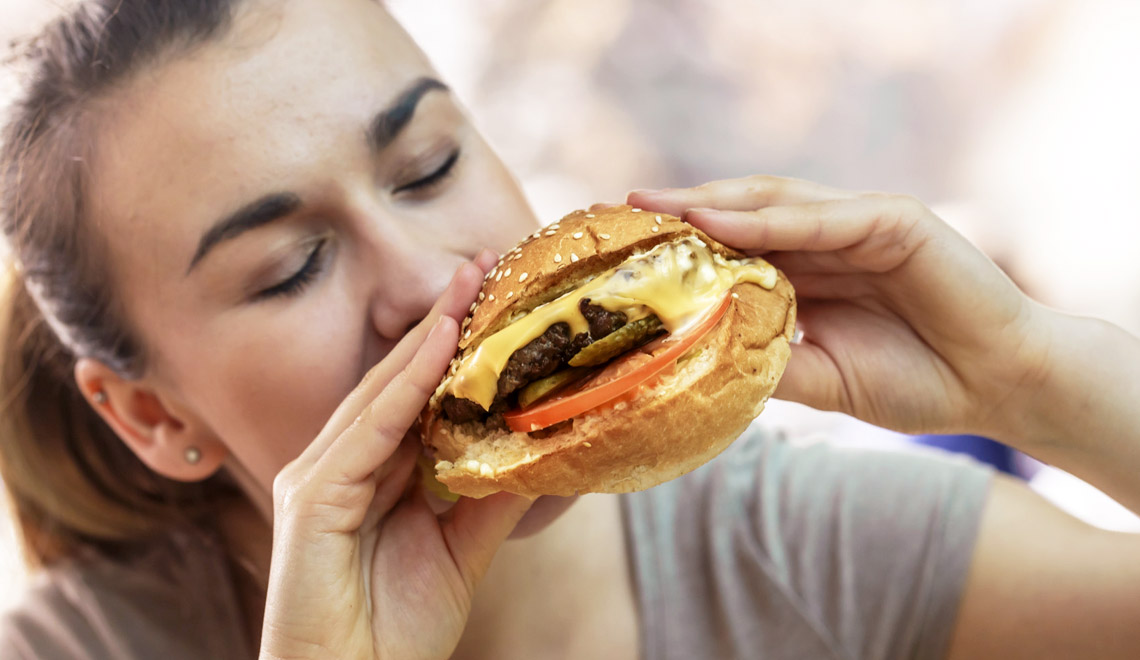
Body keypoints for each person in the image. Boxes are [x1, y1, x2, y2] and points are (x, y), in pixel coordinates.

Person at [0, 1, 1138, 659]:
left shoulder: (800, 549)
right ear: (152, 415)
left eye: (431, 163)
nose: (428, 280)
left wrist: (1033, 374)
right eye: (291, 267)